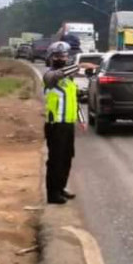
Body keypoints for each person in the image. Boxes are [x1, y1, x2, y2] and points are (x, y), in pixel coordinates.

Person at [42, 41, 93, 204]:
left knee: (66, 158)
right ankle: (52, 194)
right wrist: (79, 66)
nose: (62, 58)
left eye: (64, 56)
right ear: (51, 58)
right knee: (55, 160)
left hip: (67, 124)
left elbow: (74, 101)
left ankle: (61, 188)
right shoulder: (49, 76)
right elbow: (58, 75)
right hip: (55, 125)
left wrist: (82, 119)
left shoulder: (69, 80)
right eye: (58, 56)